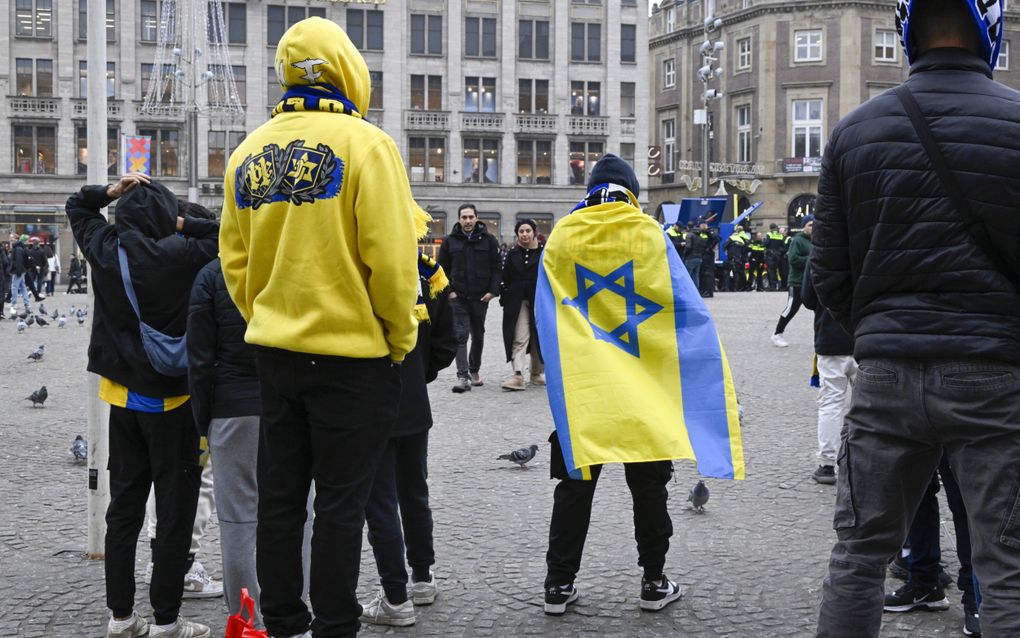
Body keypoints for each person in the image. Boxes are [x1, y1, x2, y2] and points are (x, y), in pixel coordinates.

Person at [812, 1, 1020, 635]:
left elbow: (830, 275)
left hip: (886, 379)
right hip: (995, 376)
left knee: (859, 558)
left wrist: (880, 336)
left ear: (907, 33)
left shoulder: (853, 132)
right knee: (1008, 563)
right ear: (991, 30)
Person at [219, 17, 420, 638]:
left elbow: (235, 262)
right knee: (341, 504)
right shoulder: (368, 145)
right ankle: (335, 624)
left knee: (280, 500)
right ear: (348, 69)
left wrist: (267, 316)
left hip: (276, 356)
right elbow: (391, 261)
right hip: (353, 359)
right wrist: (398, 338)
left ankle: (283, 621)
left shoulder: (248, 151)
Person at [66, 172, 218, 638]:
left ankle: (121, 618)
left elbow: (78, 207)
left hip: (124, 403)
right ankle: (168, 620)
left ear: (123, 214)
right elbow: (224, 232)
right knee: (175, 515)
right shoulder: (187, 255)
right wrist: (179, 224)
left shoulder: (107, 251)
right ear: (167, 216)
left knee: (124, 512)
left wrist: (108, 194)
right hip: (175, 404)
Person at [536, 155, 686, 617]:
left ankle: (558, 586)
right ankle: (654, 581)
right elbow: (681, 308)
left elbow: (545, 306)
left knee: (574, 487)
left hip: (585, 388)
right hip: (642, 387)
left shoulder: (563, 233)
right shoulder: (651, 233)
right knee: (649, 489)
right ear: (632, 191)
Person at [359, 252, 457, 626]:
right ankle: (422, 577)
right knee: (414, 492)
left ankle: (395, 596)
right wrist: (418, 375)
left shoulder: (362, 261)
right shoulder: (428, 271)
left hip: (368, 399)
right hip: (413, 399)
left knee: (379, 500)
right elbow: (447, 341)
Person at [801, 259, 856, 485]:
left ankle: (827, 464)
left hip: (831, 336)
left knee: (831, 403)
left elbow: (807, 298)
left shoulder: (819, 254)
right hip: (866, 336)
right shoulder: (869, 242)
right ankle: (869, 460)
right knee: (872, 405)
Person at [437, 204, 501, 393]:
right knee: (460, 335)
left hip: (480, 298)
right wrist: (449, 291)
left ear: (476, 218)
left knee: (478, 335)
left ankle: (474, 370)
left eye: (470, 217)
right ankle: (462, 376)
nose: (467, 221)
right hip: (458, 297)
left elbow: (497, 269)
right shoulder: (450, 241)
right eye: (464, 217)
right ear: (459, 219)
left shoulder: (489, 241)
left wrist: (492, 292)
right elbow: (441, 270)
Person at [499, 219, 545, 391]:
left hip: (539, 301)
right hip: (517, 303)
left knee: (538, 338)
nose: (524, 234)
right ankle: (518, 374)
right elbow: (505, 278)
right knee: (520, 337)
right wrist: (506, 296)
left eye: (527, 231)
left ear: (534, 232)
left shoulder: (544, 253)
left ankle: (536, 373)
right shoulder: (512, 254)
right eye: (521, 231)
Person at [771, 217, 811, 348]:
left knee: (820, 309)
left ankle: (821, 336)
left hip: (812, 281)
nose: (813, 228)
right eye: (810, 225)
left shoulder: (816, 241)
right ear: (803, 226)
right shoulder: (797, 241)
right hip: (797, 281)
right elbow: (793, 259)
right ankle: (777, 334)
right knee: (792, 308)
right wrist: (811, 259)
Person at [9, 235, 32, 313]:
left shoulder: (17, 248)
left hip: (18, 271)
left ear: (16, 239)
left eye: (12, 238)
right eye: (10, 238)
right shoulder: (19, 247)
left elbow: (18, 261)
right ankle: (27, 304)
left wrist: (17, 271)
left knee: (14, 287)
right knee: (23, 287)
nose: (10, 239)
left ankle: (14, 304)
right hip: (21, 270)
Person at [682, 220, 708, 288]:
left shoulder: (689, 235)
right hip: (699, 258)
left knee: (688, 275)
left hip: (690, 258)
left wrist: (684, 255)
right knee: (696, 276)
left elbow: (688, 247)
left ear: (688, 227)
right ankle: (696, 292)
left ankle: (687, 291)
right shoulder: (700, 237)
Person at [764, 223, 786, 291]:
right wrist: (779, 252)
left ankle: (772, 286)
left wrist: (763, 242)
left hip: (770, 255)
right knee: (778, 271)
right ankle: (780, 285)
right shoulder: (780, 235)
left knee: (771, 271)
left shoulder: (769, 234)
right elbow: (784, 247)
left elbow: (766, 243)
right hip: (778, 256)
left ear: (770, 228)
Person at [26, 236, 46, 301]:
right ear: (38, 243)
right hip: (40, 268)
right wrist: (41, 266)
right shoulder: (42, 251)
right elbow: (44, 261)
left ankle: (30, 291)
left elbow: (28, 260)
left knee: (31, 281)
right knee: (39, 281)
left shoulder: (30, 251)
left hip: (32, 268)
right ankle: (38, 293)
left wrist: (31, 266)